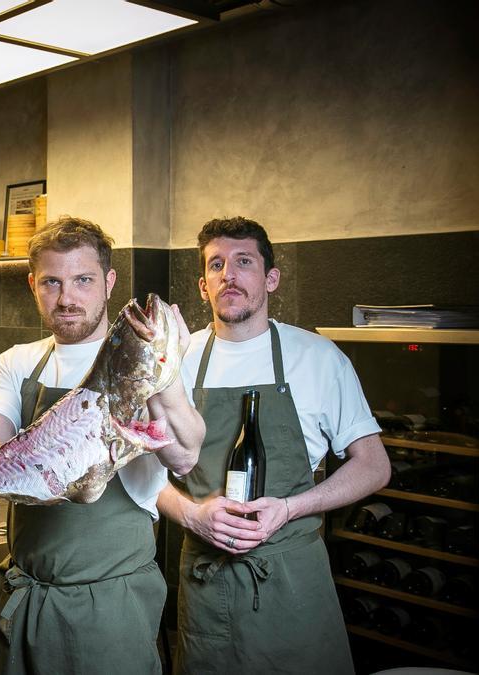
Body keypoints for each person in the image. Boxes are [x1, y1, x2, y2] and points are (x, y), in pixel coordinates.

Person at [0, 217, 205, 675]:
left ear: (108, 282)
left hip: (112, 600)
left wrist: (166, 370)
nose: (67, 297)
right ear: (33, 285)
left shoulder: (146, 358)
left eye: (83, 280)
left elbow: (183, 456)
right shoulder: (16, 362)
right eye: (52, 282)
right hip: (26, 593)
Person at [157, 216, 390, 674]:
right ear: (203, 285)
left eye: (244, 262)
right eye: (216, 264)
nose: (229, 274)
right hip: (207, 581)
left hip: (293, 581)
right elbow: (137, 471)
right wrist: (191, 516)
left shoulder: (317, 357)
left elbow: (374, 466)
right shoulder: (176, 361)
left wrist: (289, 507)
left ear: (271, 278)